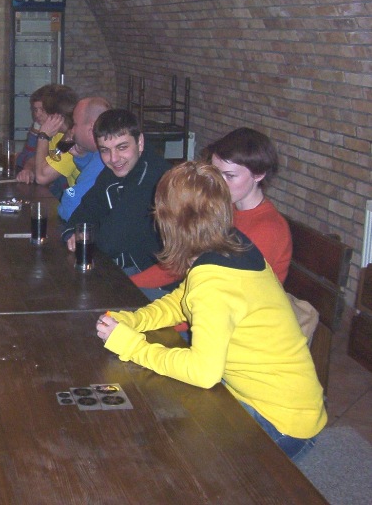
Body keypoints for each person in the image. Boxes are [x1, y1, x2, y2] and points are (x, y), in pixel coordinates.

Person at [96, 161, 326, 462]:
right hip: (270, 399)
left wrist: (132, 346)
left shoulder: (214, 281)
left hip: (281, 422)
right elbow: (184, 299)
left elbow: (203, 372)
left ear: (168, 222)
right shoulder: (231, 244)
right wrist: (136, 320)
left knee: (174, 452)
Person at [131, 127, 291, 299]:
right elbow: (183, 262)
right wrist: (129, 283)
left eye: (230, 176)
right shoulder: (224, 209)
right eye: (215, 173)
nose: (218, 183)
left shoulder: (269, 229)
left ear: (259, 174)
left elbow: (228, 297)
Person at [62, 109, 170, 275]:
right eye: (105, 150)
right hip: (120, 266)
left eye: (122, 147)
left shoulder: (154, 177)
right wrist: (73, 233)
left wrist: (85, 235)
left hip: (155, 275)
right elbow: (84, 212)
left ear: (140, 142)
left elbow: (110, 243)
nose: (113, 158)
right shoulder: (112, 173)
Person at [15, 84, 79, 198]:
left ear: (57, 115)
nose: (38, 115)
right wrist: (28, 169)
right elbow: (39, 159)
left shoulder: (73, 139)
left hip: (82, 201)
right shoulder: (58, 134)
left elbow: (41, 178)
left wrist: (43, 136)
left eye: (44, 110)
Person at [56, 97, 109, 221]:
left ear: (92, 129)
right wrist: (83, 158)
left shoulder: (104, 158)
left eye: (75, 124)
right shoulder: (99, 153)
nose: (72, 130)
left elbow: (72, 208)